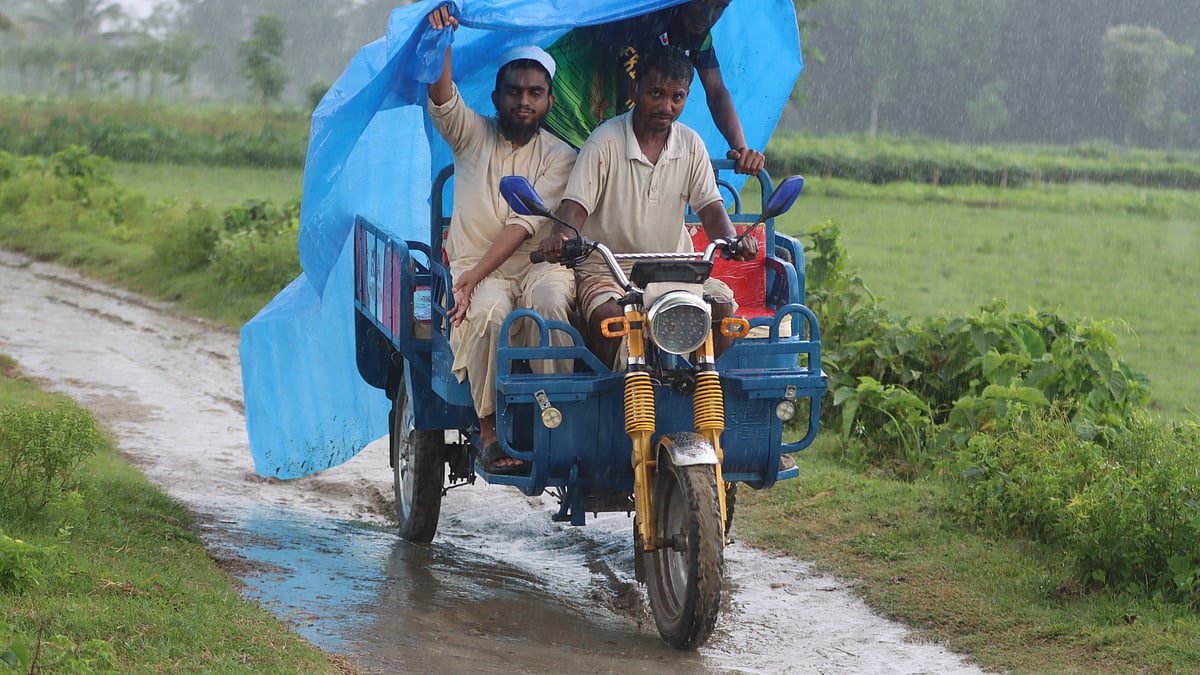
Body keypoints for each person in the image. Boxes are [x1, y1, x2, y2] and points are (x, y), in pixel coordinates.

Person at [537, 45, 758, 369]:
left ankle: (697, 393)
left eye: (677, 97)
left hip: (675, 269)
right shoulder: (605, 141)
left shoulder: (691, 144)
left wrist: (733, 240)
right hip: (611, 271)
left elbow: (711, 210)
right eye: (656, 93)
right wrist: (561, 237)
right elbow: (574, 210)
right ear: (635, 88)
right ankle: (609, 400)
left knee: (722, 308)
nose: (666, 106)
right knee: (609, 319)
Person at [426, 6, 577, 475]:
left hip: (533, 264)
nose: (523, 101)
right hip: (476, 269)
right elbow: (443, 97)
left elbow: (522, 225)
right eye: (514, 92)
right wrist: (442, 42)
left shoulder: (563, 156)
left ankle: (561, 420)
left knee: (552, 299)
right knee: (489, 313)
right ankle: (491, 430)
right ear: (496, 97)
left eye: (534, 93)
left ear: (550, 102)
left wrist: (471, 276)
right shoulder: (472, 136)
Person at [545, 0, 765, 175]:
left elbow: (716, 91)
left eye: (720, 6)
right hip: (561, 113)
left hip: (600, 135)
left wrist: (741, 148)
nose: (708, 16)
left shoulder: (697, 37)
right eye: (701, 2)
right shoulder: (640, 11)